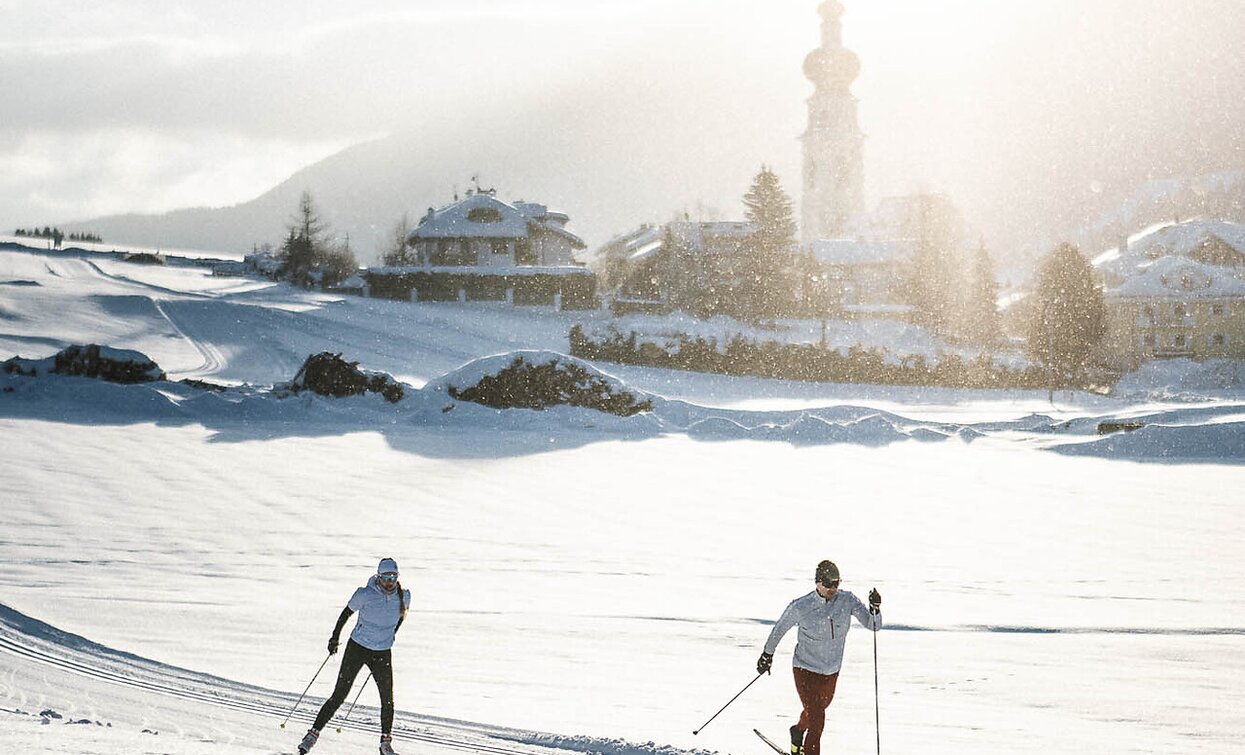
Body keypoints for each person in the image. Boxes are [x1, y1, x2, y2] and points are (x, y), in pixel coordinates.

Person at [756, 560, 881, 755]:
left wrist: (875, 609)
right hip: (805, 669)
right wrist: (767, 654)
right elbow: (779, 629)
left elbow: (873, 625)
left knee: (815, 712)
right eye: (828, 583)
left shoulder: (847, 601)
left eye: (836, 583)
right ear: (818, 582)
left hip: (831, 672)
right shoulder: (801, 606)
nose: (833, 588)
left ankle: (797, 732)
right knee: (817, 719)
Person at [298, 558, 411, 755]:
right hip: (358, 648)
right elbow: (346, 614)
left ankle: (385, 743)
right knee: (340, 695)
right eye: (385, 577)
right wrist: (334, 638)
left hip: (382, 652)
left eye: (393, 577)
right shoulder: (365, 594)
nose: (389, 582)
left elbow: (401, 617)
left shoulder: (404, 596)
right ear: (378, 577)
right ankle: (312, 735)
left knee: (387, 699)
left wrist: (390, 634)